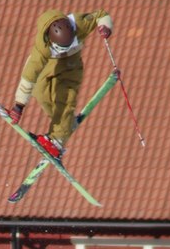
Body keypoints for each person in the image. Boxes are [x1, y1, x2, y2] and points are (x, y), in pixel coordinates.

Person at [9, 9, 113, 158]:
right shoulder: (42, 48)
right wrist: (18, 106)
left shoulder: (80, 24)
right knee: (41, 92)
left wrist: (106, 27)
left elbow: (102, 15)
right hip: (49, 65)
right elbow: (29, 77)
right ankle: (65, 123)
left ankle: (57, 140)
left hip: (71, 67)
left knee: (64, 99)